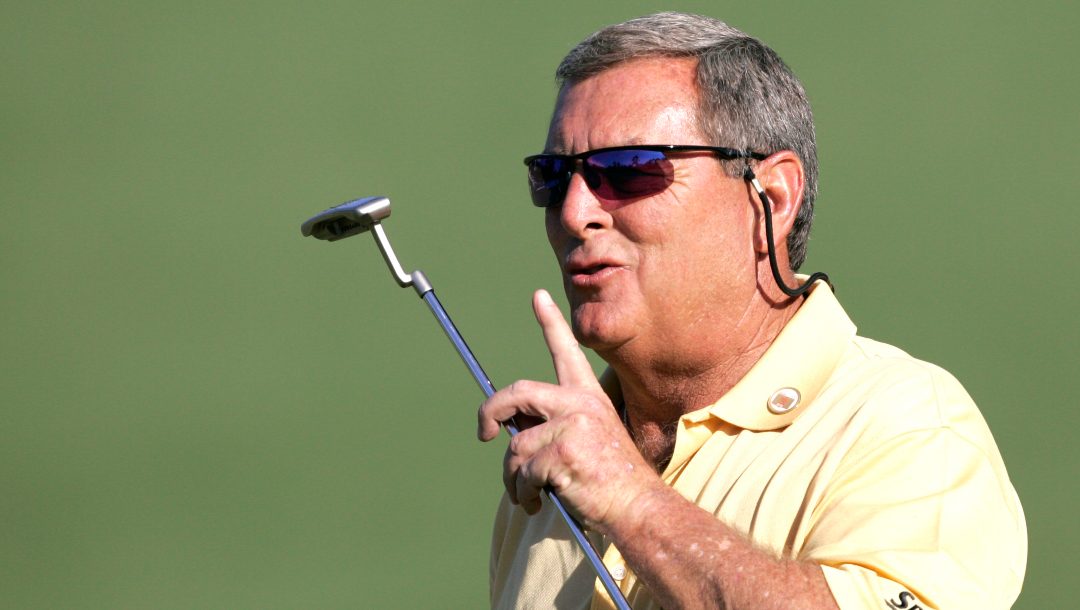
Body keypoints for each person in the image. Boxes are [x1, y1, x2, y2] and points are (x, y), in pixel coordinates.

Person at [478, 12, 1026, 610]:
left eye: (629, 169)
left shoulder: (909, 427)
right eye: (553, 176)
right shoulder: (559, 462)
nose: (573, 211)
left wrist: (628, 499)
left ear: (774, 196)